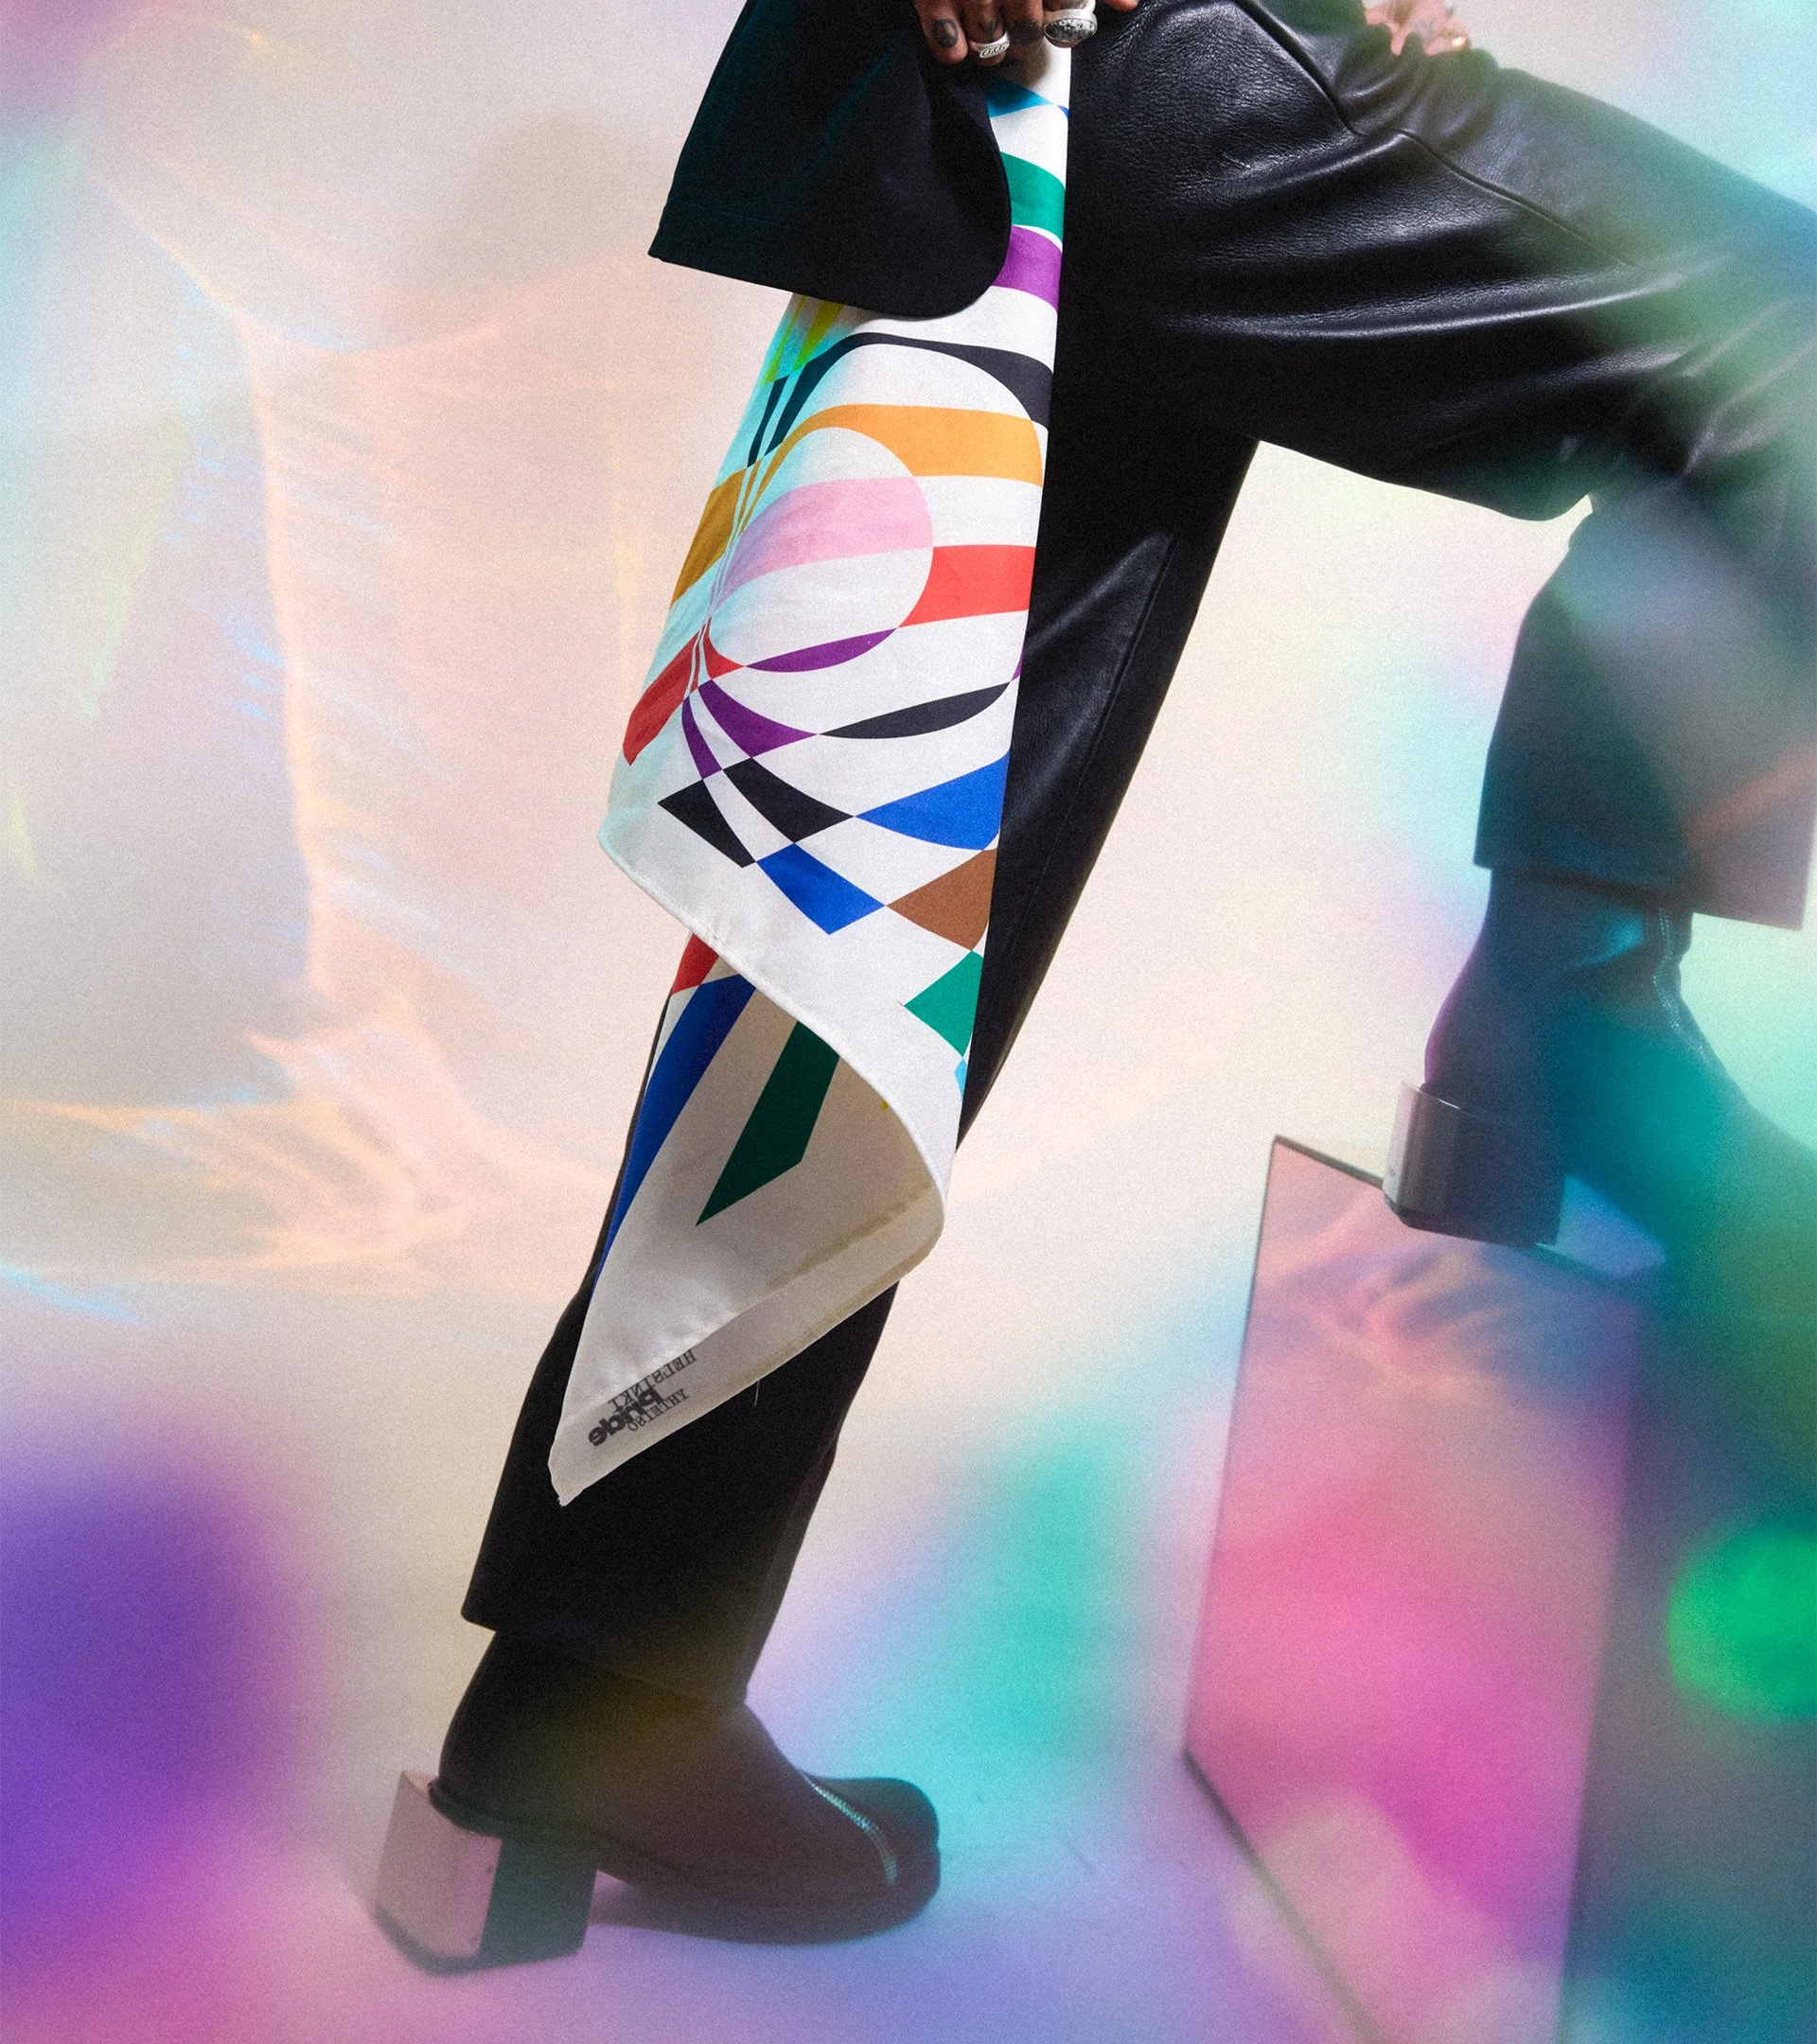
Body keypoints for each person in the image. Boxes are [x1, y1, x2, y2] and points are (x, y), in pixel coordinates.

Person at [428, 0, 1815, 1942]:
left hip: (1043, 84)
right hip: (1138, 55)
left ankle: (589, 1703)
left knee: (901, 909)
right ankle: (1558, 1015)